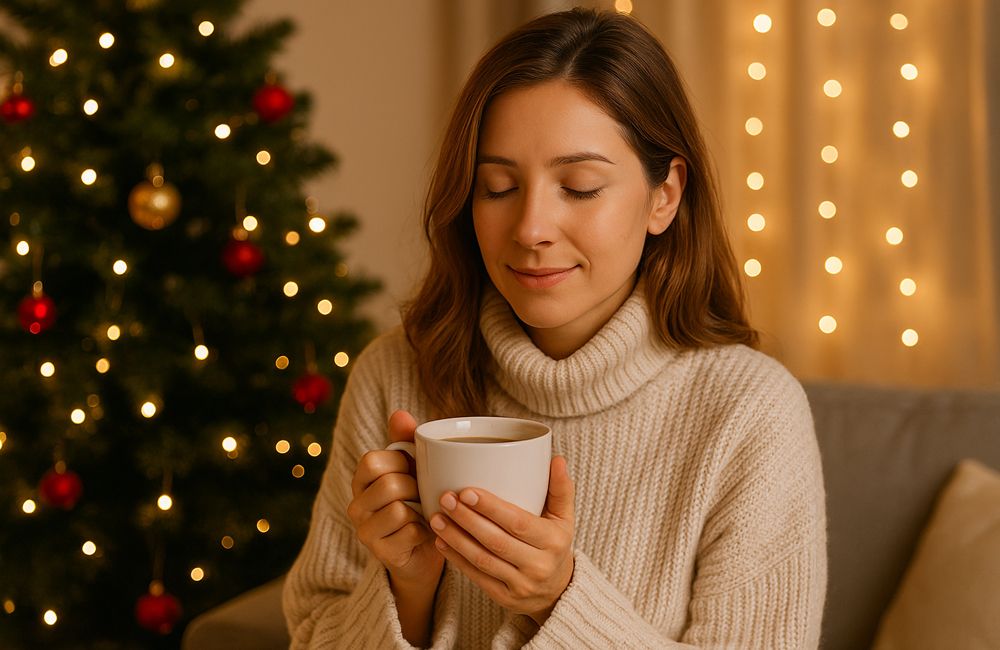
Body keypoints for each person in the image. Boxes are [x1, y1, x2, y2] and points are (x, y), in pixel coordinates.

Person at [283, 7, 827, 649]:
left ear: (665, 196)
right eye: (497, 187)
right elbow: (312, 633)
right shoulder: (396, 373)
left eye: (579, 186)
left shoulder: (750, 413)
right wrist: (408, 588)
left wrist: (559, 602)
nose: (531, 227)